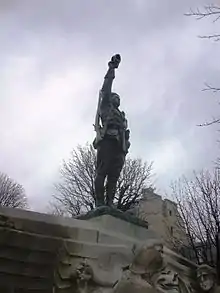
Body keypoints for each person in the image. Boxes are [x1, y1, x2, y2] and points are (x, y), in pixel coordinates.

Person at [93, 54, 130, 207]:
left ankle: (110, 204)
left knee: (114, 177)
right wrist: (111, 69)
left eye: (119, 98)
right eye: (115, 96)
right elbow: (106, 88)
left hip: (120, 146)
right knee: (102, 172)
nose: (117, 99)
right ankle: (100, 203)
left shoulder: (121, 115)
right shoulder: (105, 106)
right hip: (107, 140)